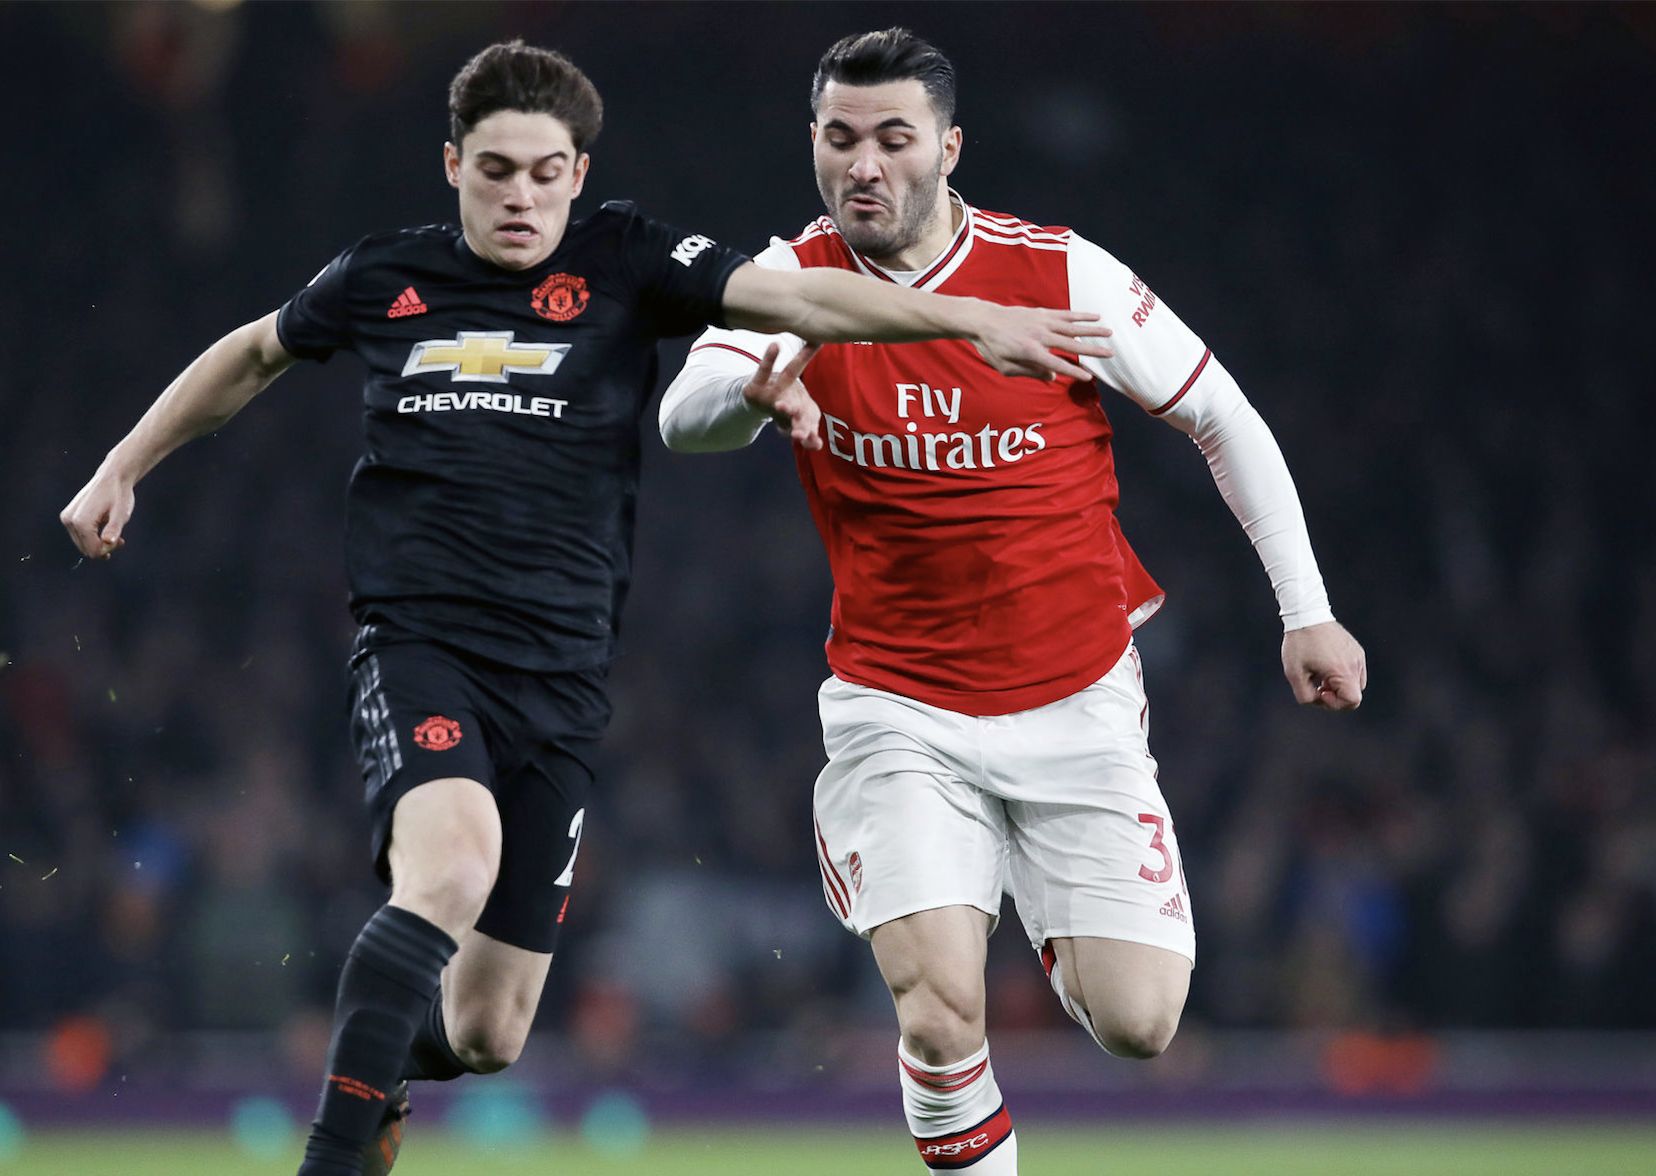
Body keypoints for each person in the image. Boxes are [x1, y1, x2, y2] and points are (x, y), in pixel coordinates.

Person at [58, 39, 1111, 1176]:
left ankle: (385, 1051)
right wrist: (123, 464)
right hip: (421, 648)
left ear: (578, 172)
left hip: (560, 687)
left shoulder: (626, 258)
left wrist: (967, 318)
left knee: (487, 1030)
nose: (520, 196)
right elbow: (252, 355)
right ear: (453, 165)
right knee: (449, 868)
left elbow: (802, 293)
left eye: (545, 172)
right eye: (496, 170)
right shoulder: (384, 277)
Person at [660, 28, 1368, 1175]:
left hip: (1076, 701)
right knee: (940, 1012)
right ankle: (912, 876)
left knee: (1140, 1022)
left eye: (894, 138)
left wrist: (1308, 610)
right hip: (900, 706)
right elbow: (681, 419)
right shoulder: (790, 284)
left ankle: (1020, 877)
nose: (864, 165)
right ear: (814, 144)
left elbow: (1221, 416)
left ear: (949, 147)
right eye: (840, 138)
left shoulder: (1060, 274)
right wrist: (752, 394)